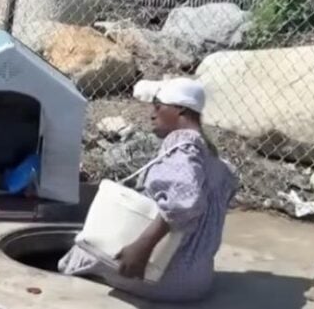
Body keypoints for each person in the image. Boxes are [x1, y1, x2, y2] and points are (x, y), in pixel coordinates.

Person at [59, 77, 238, 303]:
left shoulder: (182, 145)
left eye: (158, 106)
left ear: (181, 109)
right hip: (198, 279)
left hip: (164, 279)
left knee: (78, 254)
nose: (152, 114)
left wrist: (142, 247)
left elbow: (183, 202)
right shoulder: (216, 162)